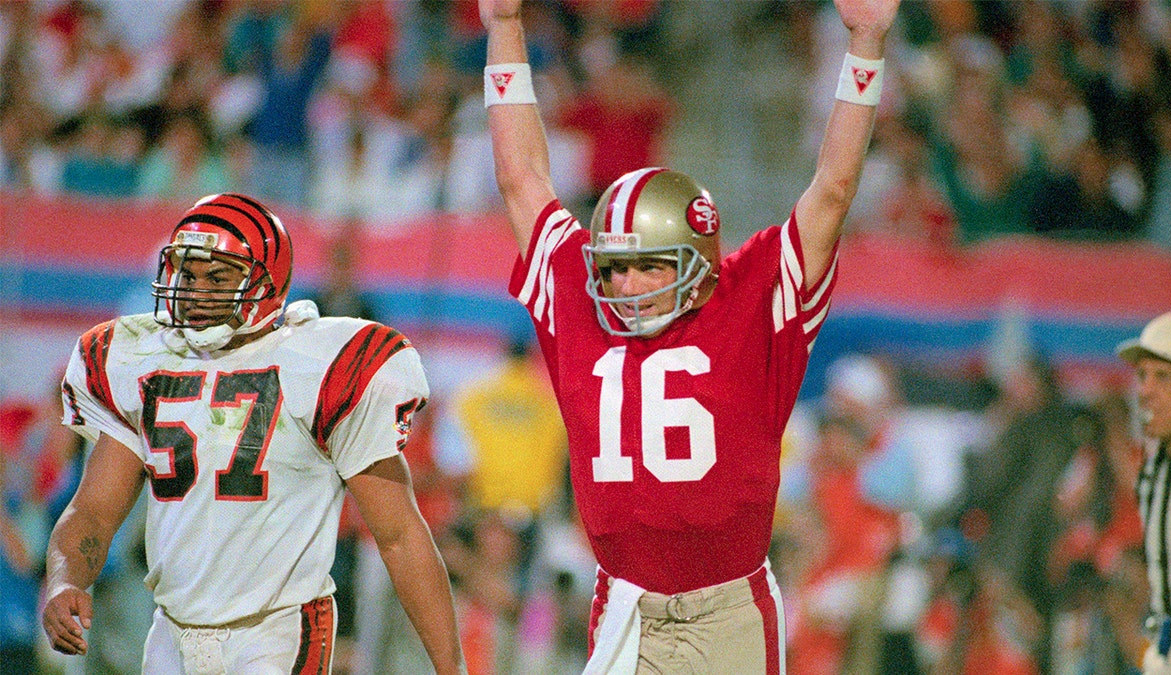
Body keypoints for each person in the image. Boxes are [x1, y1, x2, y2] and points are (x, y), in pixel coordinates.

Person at [480, 0, 899, 671]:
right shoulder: (580, 305)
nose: (625, 284)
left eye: (650, 265)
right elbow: (520, 177)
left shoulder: (750, 301)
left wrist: (866, 46)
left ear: (699, 266)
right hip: (624, 601)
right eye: (613, 266)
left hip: (727, 607)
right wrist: (504, 27)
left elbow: (833, 188)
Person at [41, 193, 466, 675]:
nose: (196, 291)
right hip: (170, 631)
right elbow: (93, 510)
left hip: (278, 633)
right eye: (187, 274)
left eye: (217, 277)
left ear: (265, 280)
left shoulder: (319, 365)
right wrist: (64, 580)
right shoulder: (145, 362)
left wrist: (452, 668)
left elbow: (400, 534)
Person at [1117, 311, 1171, 675]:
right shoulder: (1156, 465)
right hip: (1166, 647)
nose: (1145, 390)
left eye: (1164, 377)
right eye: (1142, 376)